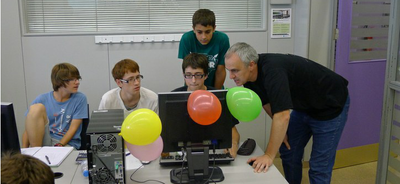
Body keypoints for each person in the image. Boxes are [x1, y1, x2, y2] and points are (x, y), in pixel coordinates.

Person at [225, 42, 350, 184]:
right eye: (229, 70)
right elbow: (266, 102)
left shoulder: (273, 71)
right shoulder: (248, 78)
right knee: (289, 151)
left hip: (330, 104)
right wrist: (281, 130)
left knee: (319, 167)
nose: (231, 76)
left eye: (234, 70)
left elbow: (283, 116)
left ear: (251, 65)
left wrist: (269, 155)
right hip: (305, 107)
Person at [172, 53, 240, 158]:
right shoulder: (173, 97)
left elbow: (233, 131)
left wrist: (233, 144)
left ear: (206, 75)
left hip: (214, 150)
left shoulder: (219, 97)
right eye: (189, 75)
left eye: (198, 75)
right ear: (183, 75)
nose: (193, 80)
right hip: (182, 153)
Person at [22, 63, 88, 150]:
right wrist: (24, 151)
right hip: (44, 141)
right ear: (60, 81)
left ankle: (38, 154)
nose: (77, 82)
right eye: (72, 79)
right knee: (36, 108)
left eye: (78, 79)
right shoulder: (42, 99)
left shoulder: (80, 98)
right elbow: (29, 129)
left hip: (66, 144)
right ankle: (36, 153)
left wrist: (59, 146)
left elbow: (73, 128)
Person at [178, 9, 229, 89]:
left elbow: (220, 70)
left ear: (214, 28)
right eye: (199, 32)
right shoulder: (187, 39)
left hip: (214, 85)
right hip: (193, 86)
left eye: (208, 32)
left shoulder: (222, 39)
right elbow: (188, 71)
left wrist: (216, 92)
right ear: (193, 29)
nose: (204, 37)